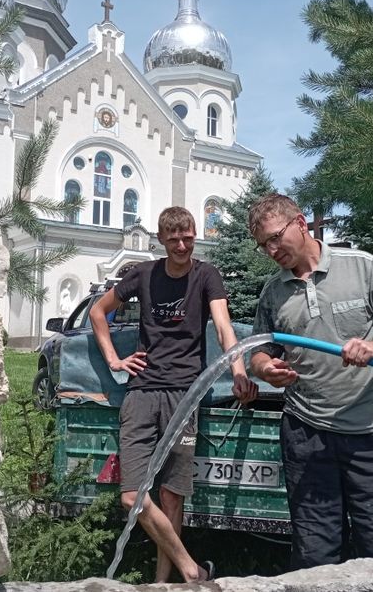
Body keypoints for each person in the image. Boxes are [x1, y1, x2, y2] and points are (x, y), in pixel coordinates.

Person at [247, 194, 373, 569]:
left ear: (301, 223)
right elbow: (259, 352)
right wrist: (265, 369)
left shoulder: (362, 267)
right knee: (315, 558)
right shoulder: (273, 292)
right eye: (263, 245)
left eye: (275, 237)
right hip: (306, 435)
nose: (271, 250)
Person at [89, 206, 258, 583]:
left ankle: (163, 583)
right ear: (161, 240)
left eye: (188, 238)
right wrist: (114, 359)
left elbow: (223, 327)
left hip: (185, 394)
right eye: (174, 239)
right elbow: (98, 312)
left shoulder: (206, 275)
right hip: (142, 391)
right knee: (132, 496)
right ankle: (192, 569)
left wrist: (239, 372)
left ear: (195, 236)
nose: (182, 246)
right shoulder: (143, 274)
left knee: (171, 495)